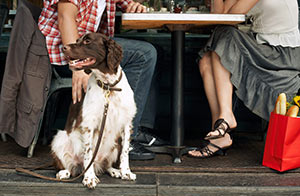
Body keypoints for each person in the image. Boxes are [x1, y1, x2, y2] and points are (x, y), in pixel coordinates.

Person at [38, 0, 164, 160]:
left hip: (90, 51)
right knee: (145, 54)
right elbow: (65, 17)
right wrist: (78, 65)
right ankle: (125, 140)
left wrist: (134, 6)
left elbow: (124, 2)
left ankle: (136, 130)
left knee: (156, 51)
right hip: (63, 53)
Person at [189, 0, 300, 158]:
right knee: (206, 60)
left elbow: (230, 18)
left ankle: (226, 116)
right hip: (264, 46)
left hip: (281, 53)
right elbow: (220, 16)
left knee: (224, 35)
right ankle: (220, 132)